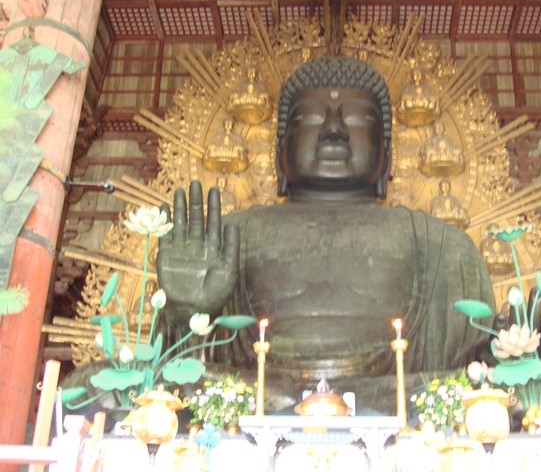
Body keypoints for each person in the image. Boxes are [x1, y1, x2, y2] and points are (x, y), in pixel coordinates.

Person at [157, 57, 498, 414]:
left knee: (480, 390)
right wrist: (182, 316)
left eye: (359, 119)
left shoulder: (443, 247)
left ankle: (297, 402)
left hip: (390, 402)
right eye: (309, 118)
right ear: (279, 149)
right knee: (144, 383)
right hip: (255, 400)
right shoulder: (226, 238)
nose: (334, 130)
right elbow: (174, 370)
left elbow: (474, 368)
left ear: (387, 152)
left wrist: (505, 355)